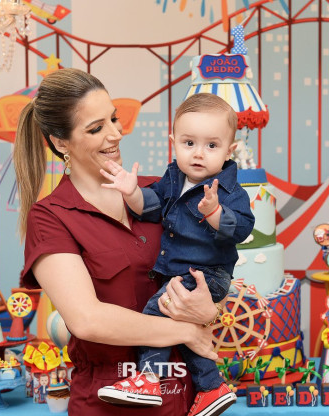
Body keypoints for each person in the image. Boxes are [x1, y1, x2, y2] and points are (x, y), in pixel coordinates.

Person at [14, 68, 222, 415]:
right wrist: (185, 331)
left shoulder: (163, 192)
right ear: (61, 143)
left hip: (187, 398)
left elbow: (210, 272)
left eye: (113, 118)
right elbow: (87, 320)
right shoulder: (50, 218)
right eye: (96, 128)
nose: (115, 133)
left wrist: (211, 312)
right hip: (107, 403)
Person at [97, 93, 255, 416]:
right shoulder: (172, 178)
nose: (198, 153)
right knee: (184, 331)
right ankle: (211, 389)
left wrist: (214, 213)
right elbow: (151, 208)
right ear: (174, 143)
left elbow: (242, 228)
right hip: (181, 273)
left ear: (230, 150)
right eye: (189, 143)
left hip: (207, 275)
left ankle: (148, 379)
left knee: (157, 311)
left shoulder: (228, 191)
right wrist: (132, 192)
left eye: (212, 145)